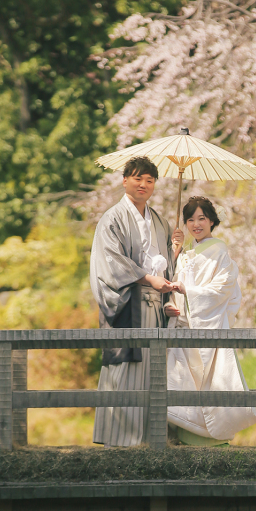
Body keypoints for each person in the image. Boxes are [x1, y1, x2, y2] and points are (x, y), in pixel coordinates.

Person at [90, 156, 177, 446]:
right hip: (128, 304)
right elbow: (111, 262)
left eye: (149, 180)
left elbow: (166, 266)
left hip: (157, 306)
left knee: (154, 372)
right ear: (125, 180)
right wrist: (148, 279)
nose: (143, 185)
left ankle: (150, 441)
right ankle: (120, 442)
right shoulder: (112, 218)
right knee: (125, 370)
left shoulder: (160, 222)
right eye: (138, 178)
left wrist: (174, 251)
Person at [164, 195, 256, 445]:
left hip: (207, 323)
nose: (196, 224)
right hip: (184, 328)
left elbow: (222, 290)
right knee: (184, 381)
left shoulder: (219, 252)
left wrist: (189, 292)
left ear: (212, 221)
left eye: (202, 219)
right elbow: (172, 286)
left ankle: (209, 438)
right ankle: (185, 435)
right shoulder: (186, 254)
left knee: (207, 380)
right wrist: (170, 304)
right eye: (190, 220)